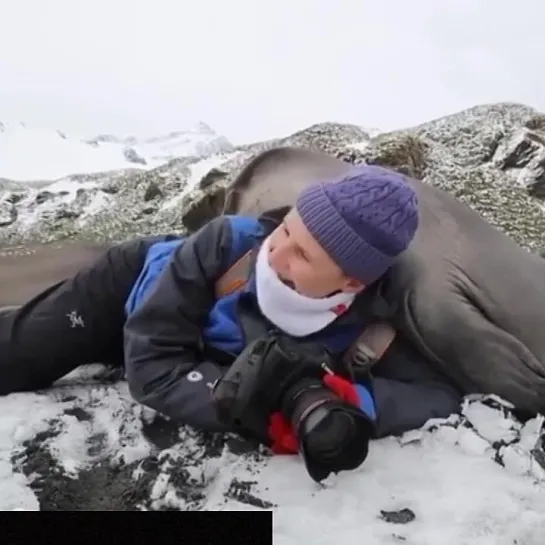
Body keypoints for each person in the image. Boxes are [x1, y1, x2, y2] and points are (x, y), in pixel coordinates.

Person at [0, 164, 462, 481]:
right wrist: (258, 411)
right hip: (130, 294)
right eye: (286, 229)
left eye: (303, 254)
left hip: (193, 348)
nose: (275, 252)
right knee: (21, 350)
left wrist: (355, 400)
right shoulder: (226, 245)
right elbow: (154, 365)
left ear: (354, 280)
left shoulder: (369, 329)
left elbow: (438, 394)